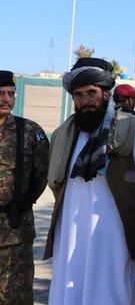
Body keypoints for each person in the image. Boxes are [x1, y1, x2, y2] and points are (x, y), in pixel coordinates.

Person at [44, 58, 135, 305]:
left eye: (91, 92)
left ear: (105, 93)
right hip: (70, 234)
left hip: (113, 240)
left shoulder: (128, 133)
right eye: (78, 95)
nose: (85, 100)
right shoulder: (64, 135)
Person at [0, 70, 48, 304]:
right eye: (0, 93)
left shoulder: (29, 131)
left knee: (17, 296)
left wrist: (25, 199)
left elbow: (42, 174)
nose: (6, 99)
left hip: (16, 231)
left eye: (10, 93)